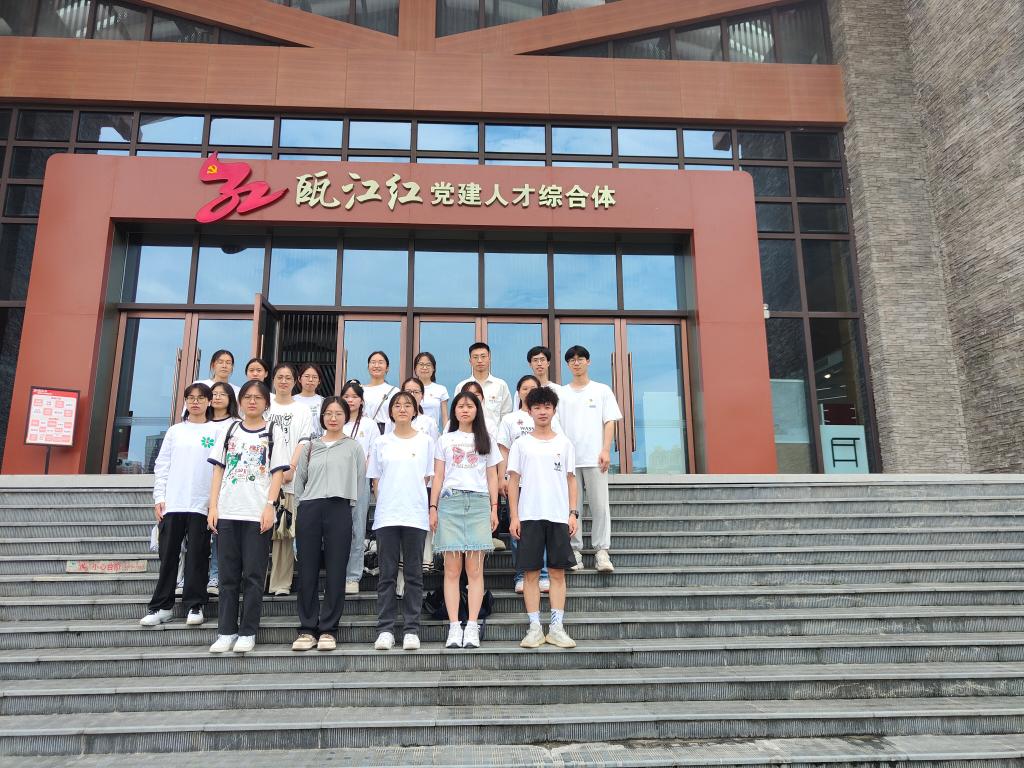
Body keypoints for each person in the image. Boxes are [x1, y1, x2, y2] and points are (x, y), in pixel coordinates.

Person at [207, 380, 289, 654]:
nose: (252, 401)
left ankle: (248, 631)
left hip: (256, 513)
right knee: (228, 576)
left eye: (258, 397)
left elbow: (277, 473)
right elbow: (218, 470)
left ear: (267, 403)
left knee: (253, 575)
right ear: (240, 401)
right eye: (247, 397)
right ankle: (226, 630)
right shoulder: (229, 430)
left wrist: (269, 506)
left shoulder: (273, 431)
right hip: (228, 511)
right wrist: (213, 507)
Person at [140, 383, 219, 629]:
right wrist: (159, 497)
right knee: (168, 556)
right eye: (191, 398)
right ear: (185, 401)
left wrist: (214, 503)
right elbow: (162, 465)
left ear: (209, 402)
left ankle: (195, 604)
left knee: (197, 556)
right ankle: (161, 607)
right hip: (173, 502)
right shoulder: (175, 431)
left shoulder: (217, 431)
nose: (195, 402)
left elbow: (219, 470)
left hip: (201, 504)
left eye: (201, 398)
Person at [291, 396, 365, 652]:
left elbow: (359, 482)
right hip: (310, 507)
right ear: (322, 417)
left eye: (338, 413)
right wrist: (301, 509)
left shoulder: (353, 447)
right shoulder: (311, 446)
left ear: (346, 417)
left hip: (339, 507)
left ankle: (329, 629)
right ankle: (307, 628)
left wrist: (352, 513)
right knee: (307, 570)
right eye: (328, 413)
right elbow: (299, 481)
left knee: (336, 570)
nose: (333, 418)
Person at [507, 386, 578, 649]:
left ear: (554, 410)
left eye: (547, 407)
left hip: (558, 516)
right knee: (531, 574)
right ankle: (535, 627)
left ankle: (557, 627)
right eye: (537, 407)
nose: (542, 411)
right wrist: (514, 516)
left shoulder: (564, 443)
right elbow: (513, 481)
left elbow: (571, 480)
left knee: (557, 573)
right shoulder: (521, 444)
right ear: (529, 411)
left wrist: (572, 513)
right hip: (529, 515)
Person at [429, 391, 501, 649]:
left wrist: (494, 508)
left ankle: (471, 625)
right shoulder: (445, 439)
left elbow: (492, 476)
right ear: (454, 410)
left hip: (479, 503)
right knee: (451, 569)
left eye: (470, 406)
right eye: (460, 405)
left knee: (475, 570)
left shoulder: (486, 439)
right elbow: (438, 475)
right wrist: (433, 507)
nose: (465, 409)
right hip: (450, 502)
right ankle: (453, 626)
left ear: (477, 410)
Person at [367, 392, 435, 651]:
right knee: (386, 575)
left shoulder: (426, 441)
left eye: (408, 405)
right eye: (397, 405)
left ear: (415, 410)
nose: (403, 408)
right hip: (387, 515)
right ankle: (385, 629)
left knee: (414, 575)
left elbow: (427, 478)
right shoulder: (381, 442)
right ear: (391, 411)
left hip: (415, 514)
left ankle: (411, 629)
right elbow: (375, 481)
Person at [558, 345, 623, 573]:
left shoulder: (602, 390)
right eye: (572, 360)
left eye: (580, 359)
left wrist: (606, 449)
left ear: (588, 361)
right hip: (570, 460)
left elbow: (609, 421)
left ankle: (602, 552)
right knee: (572, 508)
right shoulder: (561, 394)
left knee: (600, 506)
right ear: (568, 365)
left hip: (595, 458)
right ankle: (574, 550)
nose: (576, 363)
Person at [497, 375, 550, 595]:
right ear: (518, 392)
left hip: (541, 482)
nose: (528, 391)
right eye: (524, 388)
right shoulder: (510, 419)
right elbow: (504, 450)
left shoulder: (546, 416)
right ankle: (521, 576)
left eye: (533, 388)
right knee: (518, 530)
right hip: (517, 483)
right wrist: (502, 477)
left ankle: (544, 574)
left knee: (543, 529)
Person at [266, 363, 314, 596]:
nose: (283, 381)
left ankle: (280, 584)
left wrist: (291, 468)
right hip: (261, 479)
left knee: (283, 533)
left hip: (288, 479)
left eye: (288, 377)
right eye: (280, 377)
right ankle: (255, 579)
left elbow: (304, 441)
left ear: (295, 381)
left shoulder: (302, 410)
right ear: (273, 379)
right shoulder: (265, 404)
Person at [395, 376, 440, 575]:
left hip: (423, 481)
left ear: (422, 396)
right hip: (399, 482)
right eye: (408, 391)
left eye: (416, 392)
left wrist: (428, 479)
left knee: (423, 522)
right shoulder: (394, 420)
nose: (412, 395)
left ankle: (425, 562)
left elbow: (434, 453)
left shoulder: (429, 422)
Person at [341, 380, 377, 595]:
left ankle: (353, 576)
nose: (350, 400)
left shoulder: (369, 424)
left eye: (354, 396)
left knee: (357, 528)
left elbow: (373, 453)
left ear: (362, 401)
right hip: (336, 480)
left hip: (360, 480)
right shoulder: (335, 419)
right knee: (337, 529)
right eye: (346, 396)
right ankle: (337, 573)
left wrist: (366, 475)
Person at [205, 382, 240, 595]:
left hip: (224, 486)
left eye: (222, 394)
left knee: (219, 534)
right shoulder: (199, 422)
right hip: (198, 485)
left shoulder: (235, 425)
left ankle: (215, 575)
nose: (217, 397)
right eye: (214, 394)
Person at [455, 342, 512, 435]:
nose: (479, 360)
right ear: (470, 361)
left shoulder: (500, 385)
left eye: (483, 356)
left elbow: (506, 414)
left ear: (489, 359)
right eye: (475, 357)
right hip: (468, 437)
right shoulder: (461, 386)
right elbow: (457, 413)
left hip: (494, 436)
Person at [513, 346, 561, 410]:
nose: (539, 364)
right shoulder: (522, 391)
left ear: (548, 363)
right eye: (535, 360)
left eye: (542, 360)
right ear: (530, 364)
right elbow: (516, 412)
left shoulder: (558, 389)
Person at [362, 350, 398, 434]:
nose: (376, 365)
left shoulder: (394, 391)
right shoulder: (360, 390)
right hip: (363, 431)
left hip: (385, 431)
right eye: (373, 362)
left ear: (387, 368)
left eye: (380, 362)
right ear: (368, 367)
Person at [413, 351, 448, 429]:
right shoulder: (409, 388)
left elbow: (445, 417)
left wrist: (446, 434)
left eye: (428, 365)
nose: (424, 368)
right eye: (421, 364)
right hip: (412, 431)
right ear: (415, 368)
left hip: (433, 431)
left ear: (433, 369)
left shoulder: (441, 389)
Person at [293, 362, 325, 439]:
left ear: (319, 381)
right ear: (299, 379)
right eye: (307, 376)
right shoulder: (291, 400)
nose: (310, 380)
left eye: (314, 377)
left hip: (317, 443)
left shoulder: (324, 402)